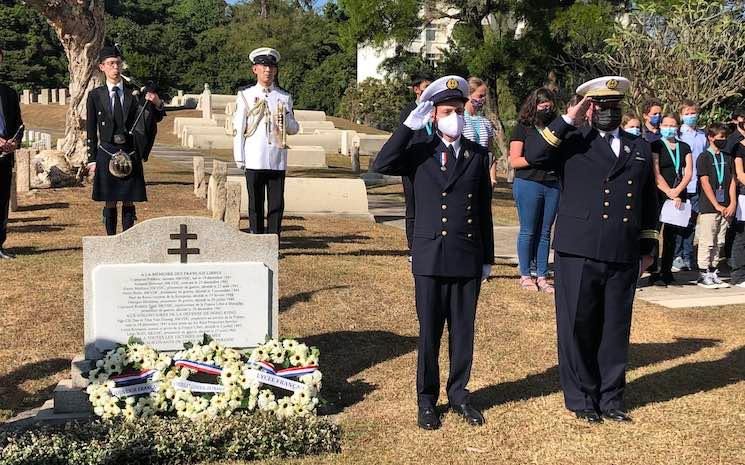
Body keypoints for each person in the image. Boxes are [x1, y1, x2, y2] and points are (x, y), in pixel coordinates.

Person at [525, 76, 658, 424]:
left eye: (614, 106)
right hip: (579, 249)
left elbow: (648, 201)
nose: (607, 112)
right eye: (600, 106)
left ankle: (611, 399)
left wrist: (648, 247)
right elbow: (533, 156)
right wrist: (569, 119)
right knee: (577, 326)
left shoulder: (639, 147)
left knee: (615, 327)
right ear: (589, 107)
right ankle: (582, 399)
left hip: (622, 249)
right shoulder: (571, 141)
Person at [373, 75, 494, 430]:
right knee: (429, 333)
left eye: (458, 110)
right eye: (446, 110)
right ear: (434, 114)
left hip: (466, 255)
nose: (453, 116)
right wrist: (410, 122)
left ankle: (458, 395)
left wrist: (487, 257)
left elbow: (484, 210)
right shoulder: (418, 152)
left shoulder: (477, 154)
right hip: (428, 255)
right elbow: (382, 163)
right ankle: (426, 400)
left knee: (463, 331)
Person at [86, 46, 165, 235]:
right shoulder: (95, 95)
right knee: (110, 199)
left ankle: (127, 238)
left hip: (129, 151)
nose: (115, 68)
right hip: (106, 151)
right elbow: (91, 129)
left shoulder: (134, 93)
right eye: (111, 64)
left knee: (128, 198)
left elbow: (156, 116)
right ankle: (111, 238)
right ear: (102, 67)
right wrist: (92, 159)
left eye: (118, 63)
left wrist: (156, 102)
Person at [233, 47, 299, 237]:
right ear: (255, 69)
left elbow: (293, 128)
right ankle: (256, 237)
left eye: (271, 67)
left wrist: (286, 118)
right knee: (255, 202)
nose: (267, 70)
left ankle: (273, 239)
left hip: (277, 157)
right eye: (263, 66)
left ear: (276, 70)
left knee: (276, 203)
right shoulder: (245, 95)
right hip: (255, 156)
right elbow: (239, 128)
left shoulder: (284, 97)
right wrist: (240, 157)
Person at [508, 88, 561, 293]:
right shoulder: (523, 127)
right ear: (533, 105)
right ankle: (525, 274)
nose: (546, 108)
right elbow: (515, 160)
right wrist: (533, 159)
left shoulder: (555, 127)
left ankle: (541, 275)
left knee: (545, 232)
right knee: (529, 231)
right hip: (528, 183)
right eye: (542, 105)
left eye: (549, 105)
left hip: (552, 184)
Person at [649, 113, 693, 286]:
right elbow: (656, 171)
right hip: (660, 194)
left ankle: (667, 271)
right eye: (666, 125)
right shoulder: (656, 145)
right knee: (655, 233)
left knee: (672, 235)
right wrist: (668, 191)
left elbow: (688, 172)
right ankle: (653, 271)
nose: (669, 128)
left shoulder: (684, 146)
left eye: (672, 125)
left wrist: (677, 191)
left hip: (678, 194)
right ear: (660, 127)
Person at [696, 123, 736, 288]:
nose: (723, 140)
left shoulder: (727, 158)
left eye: (725, 137)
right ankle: (703, 272)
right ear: (710, 137)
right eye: (720, 138)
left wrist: (732, 202)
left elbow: (732, 181)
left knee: (719, 241)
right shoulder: (704, 157)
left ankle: (713, 270)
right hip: (710, 206)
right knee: (708, 240)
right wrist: (716, 204)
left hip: (726, 206)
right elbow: (704, 183)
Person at [399, 73, 433, 254]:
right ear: (416, 89)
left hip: (432, 166)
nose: (429, 90)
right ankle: (413, 246)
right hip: (412, 166)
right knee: (413, 207)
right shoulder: (409, 111)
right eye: (426, 86)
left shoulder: (434, 110)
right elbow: (404, 137)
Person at [673, 100, 707, 272]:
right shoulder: (678, 135)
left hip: (698, 185)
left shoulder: (702, 135)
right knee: (679, 221)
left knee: (692, 222)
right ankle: (676, 255)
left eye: (693, 113)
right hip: (682, 184)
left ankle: (688, 255)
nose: (691, 116)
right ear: (681, 115)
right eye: (687, 113)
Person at [0, 48, 24, 259]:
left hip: (5, 156)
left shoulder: (8, 92)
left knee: (2, 201)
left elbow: (19, 123)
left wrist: (15, 141)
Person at [462, 77, 496, 186]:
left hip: (483, 174)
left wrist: (492, 177)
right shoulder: (459, 119)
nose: (483, 99)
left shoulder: (486, 122)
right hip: (464, 173)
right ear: (468, 95)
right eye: (480, 96)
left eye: (485, 96)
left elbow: (491, 152)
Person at [728, 109, 745, 287]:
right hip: (744, 196)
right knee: (742, 236)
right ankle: (738, 274)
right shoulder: (739, 147)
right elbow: (739, 174)